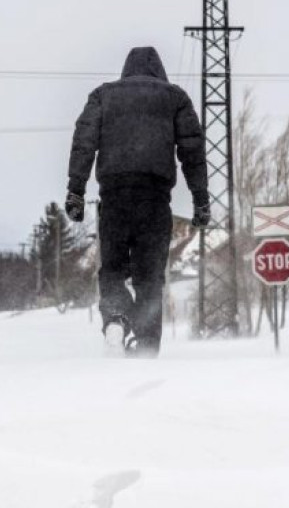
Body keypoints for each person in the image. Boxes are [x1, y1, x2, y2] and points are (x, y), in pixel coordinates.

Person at [65, 47, 210, 357]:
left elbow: (83, 143)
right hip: (155, 199)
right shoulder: (175, 98)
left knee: (113, 270)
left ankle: (116, 318)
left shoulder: (103, 95)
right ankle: (145, 348)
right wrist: (200, 199)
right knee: (149, 278)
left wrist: (76, 190)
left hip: (114, 198)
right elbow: (192, 151)